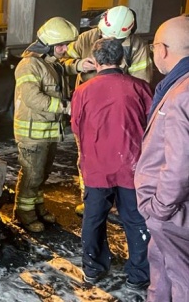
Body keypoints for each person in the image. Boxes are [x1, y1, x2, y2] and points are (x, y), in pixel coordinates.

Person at [70, 38, 151, 289]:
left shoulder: (83, 91)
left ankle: (93, 269)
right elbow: (153, 126)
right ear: (123, 59)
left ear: (94, 62)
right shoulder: (141, 87)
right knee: (136, 220)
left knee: (93, 218)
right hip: (132, 166)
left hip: (96, 168)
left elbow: (75, 127)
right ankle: (139, 275)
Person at [63, 5, 153, 216]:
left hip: (120, 114)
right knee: (87, 157)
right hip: (90, 110)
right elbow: (61, 60)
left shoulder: (137, 46)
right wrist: (77, 65)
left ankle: (122, 202)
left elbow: (142, 85)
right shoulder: (87, 38)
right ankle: (91, 202)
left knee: (123, 157)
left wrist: (115, 73)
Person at [135, 15, 189, 301]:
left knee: (182, 280)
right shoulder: (179, 85)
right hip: (171, 215)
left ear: (163, 50)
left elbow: (180, 164)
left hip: (174, 215)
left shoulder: (182, 94)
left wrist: (160, 208)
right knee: (162, 271)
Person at [12, 17, 78, 232]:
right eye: (61, 45)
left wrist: (79, 65)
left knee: (42, 174)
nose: (65, 49)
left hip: (47, 132)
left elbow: (61, 70)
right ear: (48, 45)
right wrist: (66, 107)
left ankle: (37, 206)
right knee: (32, 175)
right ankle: (24, 214)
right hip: (32, 134)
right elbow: (34, 99)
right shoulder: (29, 65)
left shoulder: (50, 62)